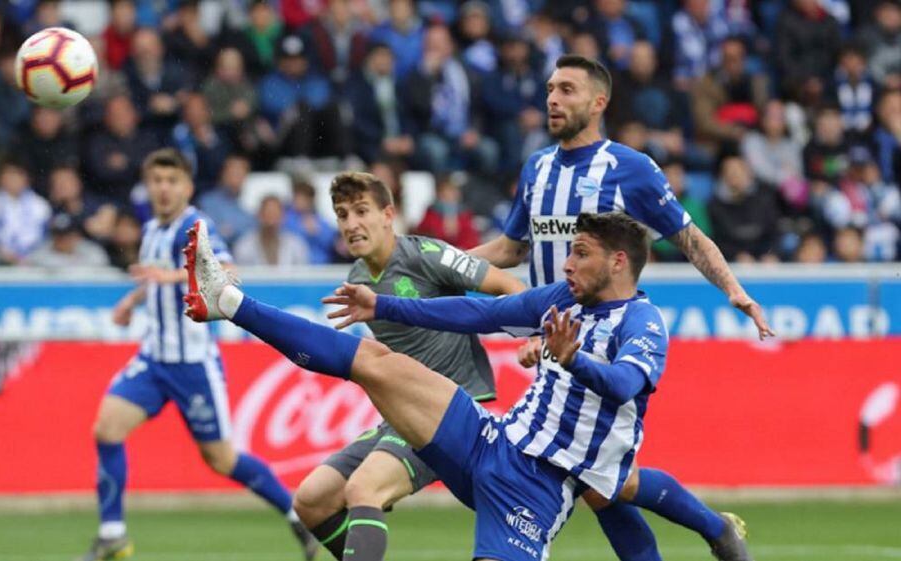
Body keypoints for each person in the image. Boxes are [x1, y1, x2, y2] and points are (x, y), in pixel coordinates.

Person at [185, 211, 743, 561]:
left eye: (581, 252)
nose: (567, 262)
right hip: (490, 440)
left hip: (535, 489)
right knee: (376, 362)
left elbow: (624, 385)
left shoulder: (642, 325)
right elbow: (479, 312)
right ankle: (229, 302)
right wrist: (384, 303)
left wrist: (577, 362)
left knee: (619, 489)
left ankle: (720, 534)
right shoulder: (562, 300)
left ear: (619, 262)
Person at [469, 55, 765, 561]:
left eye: (566, 90)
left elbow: (690, 238)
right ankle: (716, 530)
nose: (553, 100)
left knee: (600, 478)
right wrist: (439, 264)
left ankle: (715, 529)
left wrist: (733, 289)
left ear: (598, 103)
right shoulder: (537, 168)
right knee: (601, 483)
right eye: (550, 90)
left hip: (602, 342)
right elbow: (512, 248)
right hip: (553, 342)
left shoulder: (630, 169)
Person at [79, 149, 317, 561]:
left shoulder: (195, 226)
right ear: (148, 185)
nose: (164, 188)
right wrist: (133, 299)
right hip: (154, 359)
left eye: (172, 181)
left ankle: (296, 514)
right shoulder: (153, 227)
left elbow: (227, 272)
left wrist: (167, 276)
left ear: (187, 187)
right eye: (157, 180)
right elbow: (158, 276)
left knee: (222, 460)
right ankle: (113, 535)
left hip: (194, 365)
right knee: (106, 429)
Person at [290, 171, 526, 561]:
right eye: (342, 214)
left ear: (388, 214)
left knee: (363, 489)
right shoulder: (358, 278)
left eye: (361, 211)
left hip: (450, 409)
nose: (351, 224)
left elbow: (510, 287)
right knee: (311, 500)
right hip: (404, 413)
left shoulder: (425, 255)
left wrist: (532, 334)